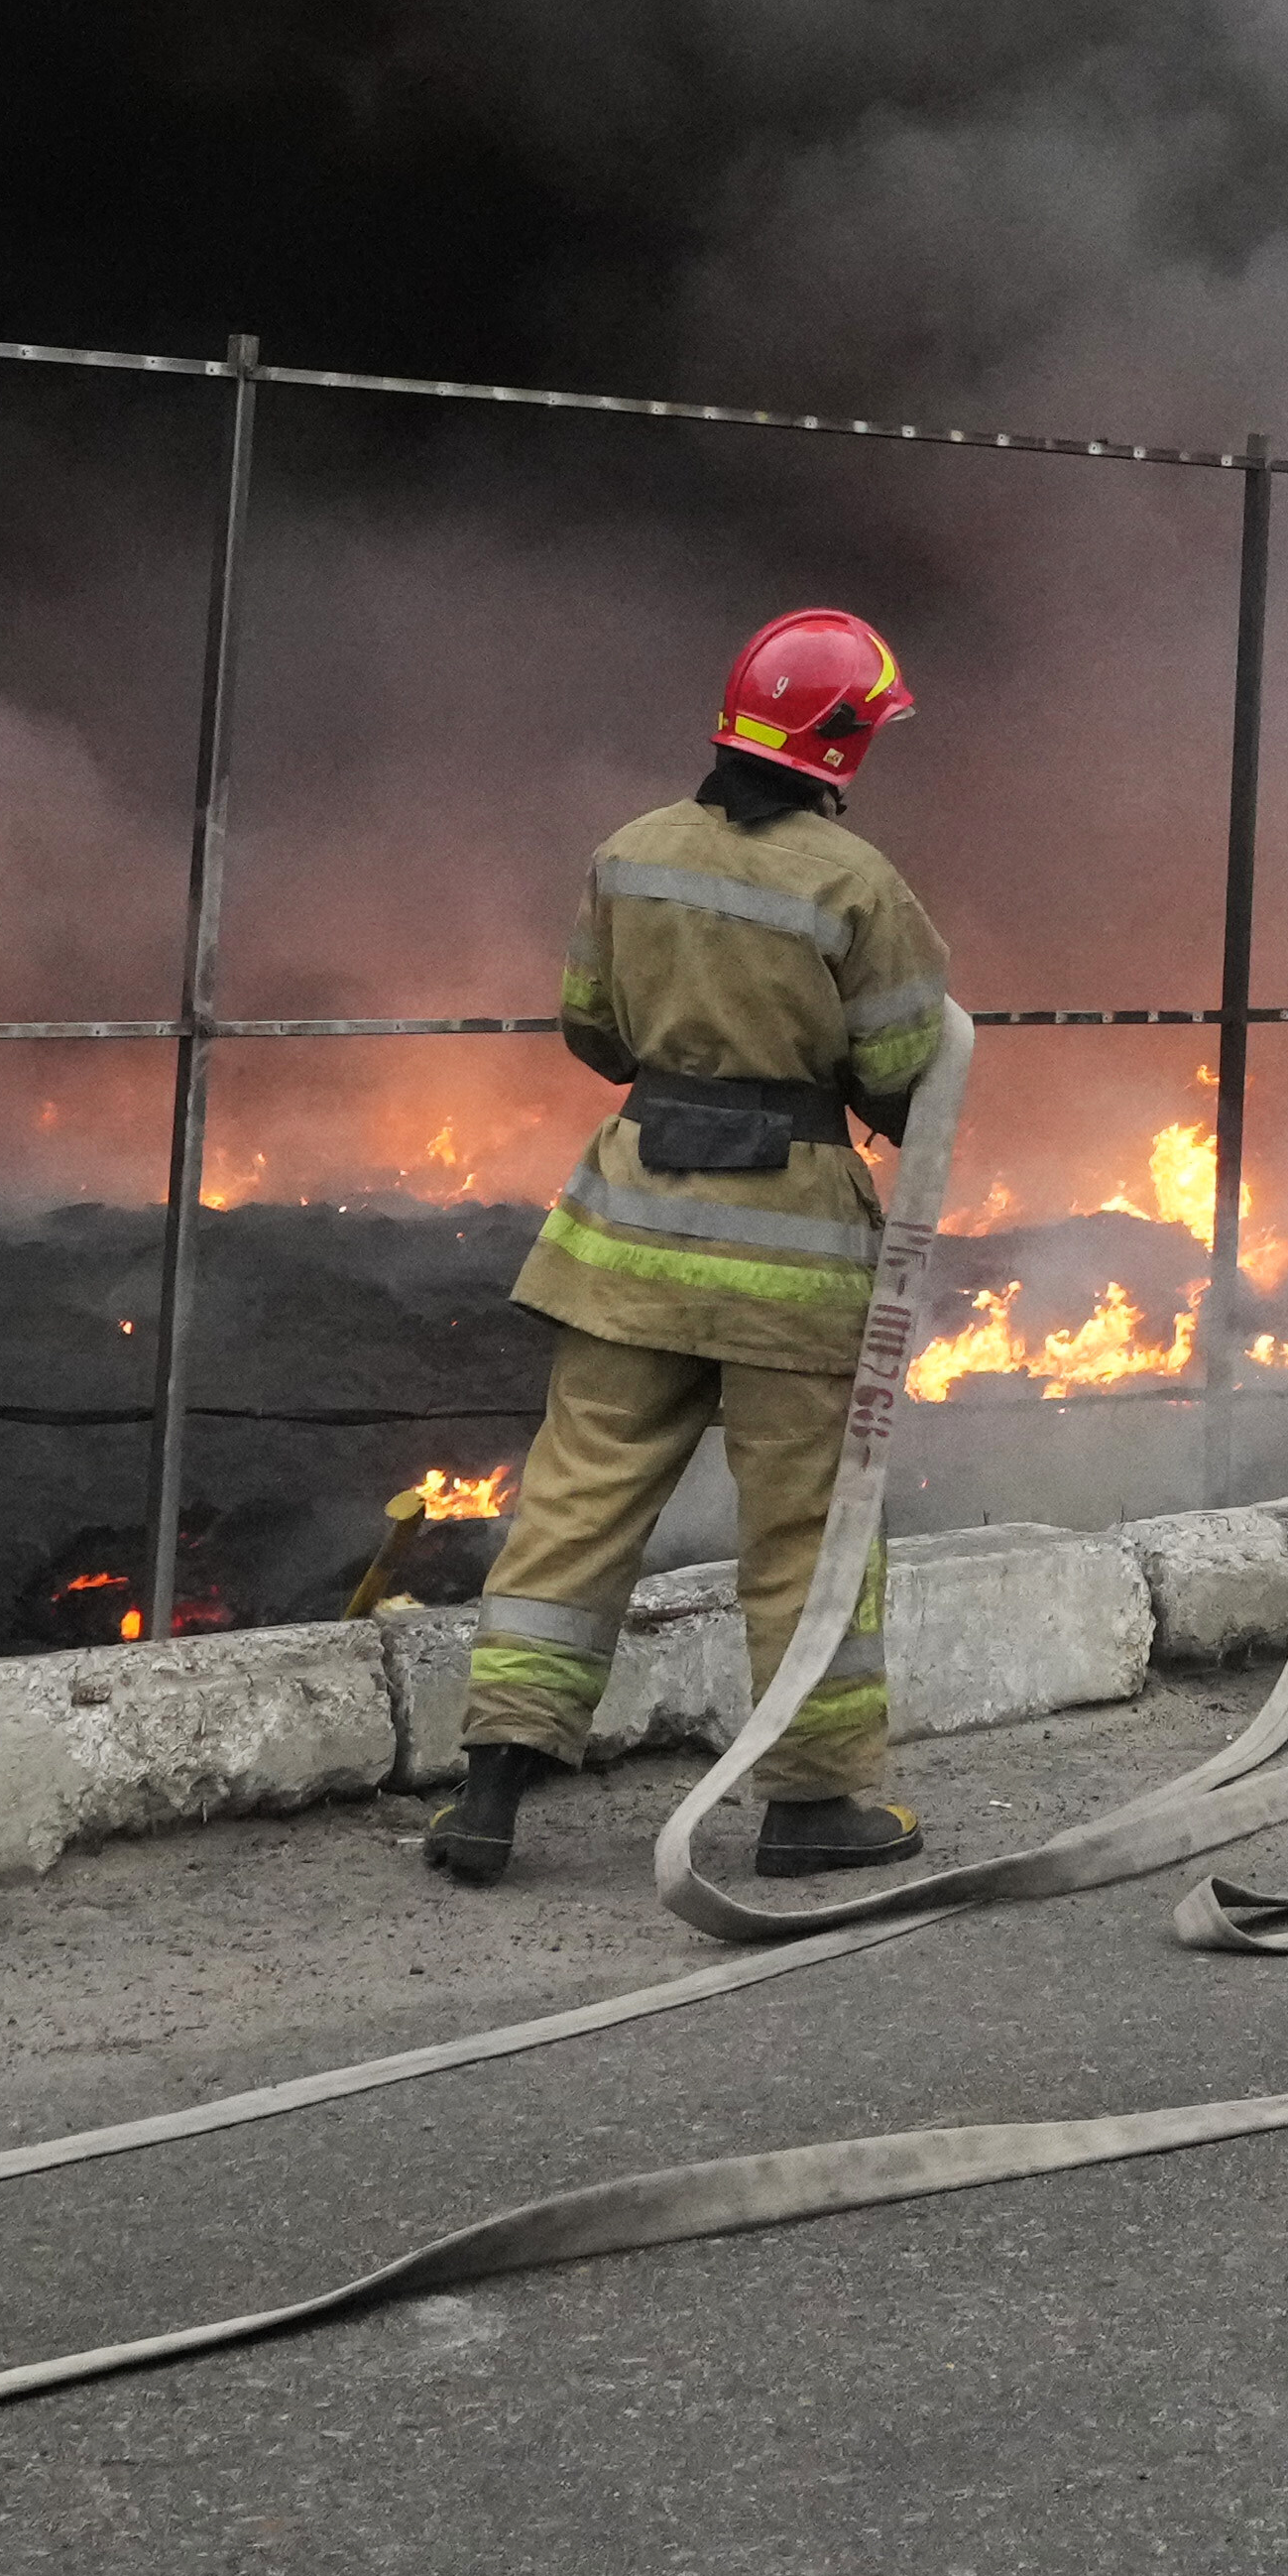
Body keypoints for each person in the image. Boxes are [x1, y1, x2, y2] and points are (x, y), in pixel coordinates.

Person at [419, 611, 960, 1887]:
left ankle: (491, 1790)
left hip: (631, 1246)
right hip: (790, 1267)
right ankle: (815, 1805)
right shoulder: (858, 887)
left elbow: (593, 1031)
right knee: (806, 1534)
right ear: (840, 742)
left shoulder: (629, 857)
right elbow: (901, 1073)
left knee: (573, 1503)